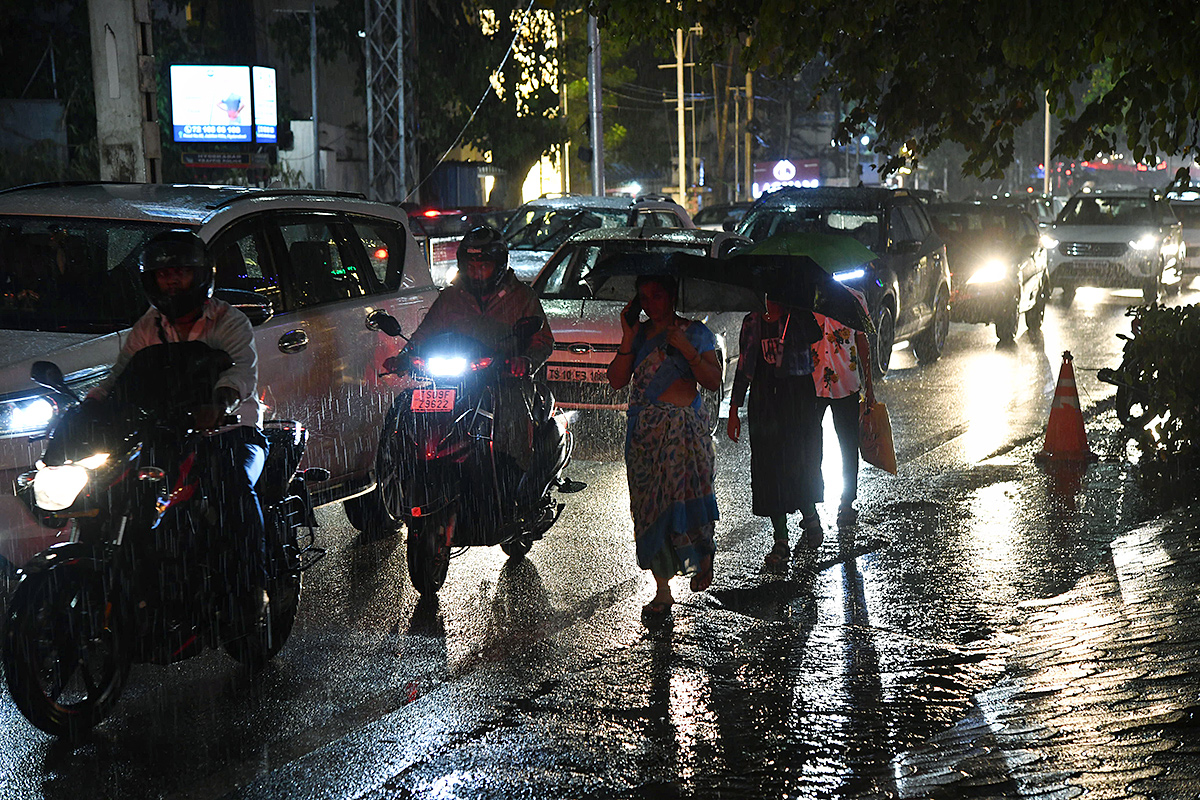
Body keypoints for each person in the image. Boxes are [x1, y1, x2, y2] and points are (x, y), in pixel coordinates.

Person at [89, 229, 269, 619]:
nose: (170, 280)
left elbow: (242, 371)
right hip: (167, 430)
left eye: (179, 272)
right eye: (162, 273)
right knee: (118, 491)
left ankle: (251, 586)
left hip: (230, 430)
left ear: (201, 274)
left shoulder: (229, 320)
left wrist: (221, 401)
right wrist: (94, 402)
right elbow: (122, 373)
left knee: (233, 490)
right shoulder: (148, 327)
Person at [394, 225, 553, 473]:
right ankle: (414, 469)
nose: (476, 272)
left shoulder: (522, 296)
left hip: (503, 378)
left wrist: (525, 360)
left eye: (483, 266)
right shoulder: (450, 298)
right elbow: (425, 333)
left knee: (511, 414)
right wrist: (405, 356)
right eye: (470, 266)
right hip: (457, 379)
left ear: (499, 265)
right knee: (410, 408)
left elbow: (542, 340)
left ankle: (515, 474)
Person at [608, 274, 721, 618]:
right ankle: (662, 589)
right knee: (650, 510)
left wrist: (688, 351)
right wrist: (628, 336)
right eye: (643, 297)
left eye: (657, 296)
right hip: (645, 438)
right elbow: (616, 380)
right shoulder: (639, 336)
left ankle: (701, 558)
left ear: (672, 296)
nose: (650, 304)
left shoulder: (696, 333)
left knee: (687, 504)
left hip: (685, 437)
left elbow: (713, 381)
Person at [726, 299, 825, 565]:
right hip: (764, 402)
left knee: (800, 462)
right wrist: (734, 409)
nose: (771, 299)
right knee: (769, 468)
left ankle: (811, 517)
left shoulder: (799, 316)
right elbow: (745, 367)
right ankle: (780, 538)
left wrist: (797, 313)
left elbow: (816, 335)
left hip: (797, 400)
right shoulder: (752, 322)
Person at [811, 290, 875, 526]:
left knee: (848, 445)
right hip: (811, 384)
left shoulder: (854, 298)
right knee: (809, 446)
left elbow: (862, 340)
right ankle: (811, 505)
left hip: (846, 383)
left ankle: (847, 501)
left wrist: (869, 385)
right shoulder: (805, 299)